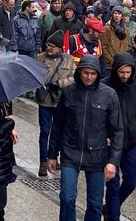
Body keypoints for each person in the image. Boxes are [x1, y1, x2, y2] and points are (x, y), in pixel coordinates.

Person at [47, 55, 123, 220]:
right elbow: (57, 126)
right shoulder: (68, 93)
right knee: (67, 198)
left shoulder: (109, 95)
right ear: (79, 72)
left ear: (98, 74)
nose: (89, 77)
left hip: (97, 155)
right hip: (70, 152)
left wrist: (113, 161)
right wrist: (52, 155)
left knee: (95, 203)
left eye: (93, 74)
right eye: (85, 73)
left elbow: (117, 130)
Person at [102, 53, 136, 220]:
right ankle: (112, 215)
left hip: (131, 141)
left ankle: (110, 208)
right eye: (121, 72)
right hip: (111, 143)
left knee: (131, 182)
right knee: (113, 185)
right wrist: (102, 135)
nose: (124, 75)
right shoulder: (104, 86)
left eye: (128, 72)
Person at [35, 30, 76, 177]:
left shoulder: (69, 59)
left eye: (52, 46)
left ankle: (54, 157)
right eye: (48, 45)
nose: (49, 48)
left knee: (59, 131)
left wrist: (59, 83)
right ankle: (43, 161)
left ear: (60, 48)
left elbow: (74, 77)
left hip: (61, 101)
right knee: (45, 131)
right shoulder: (40, 58)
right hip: (45, 101)